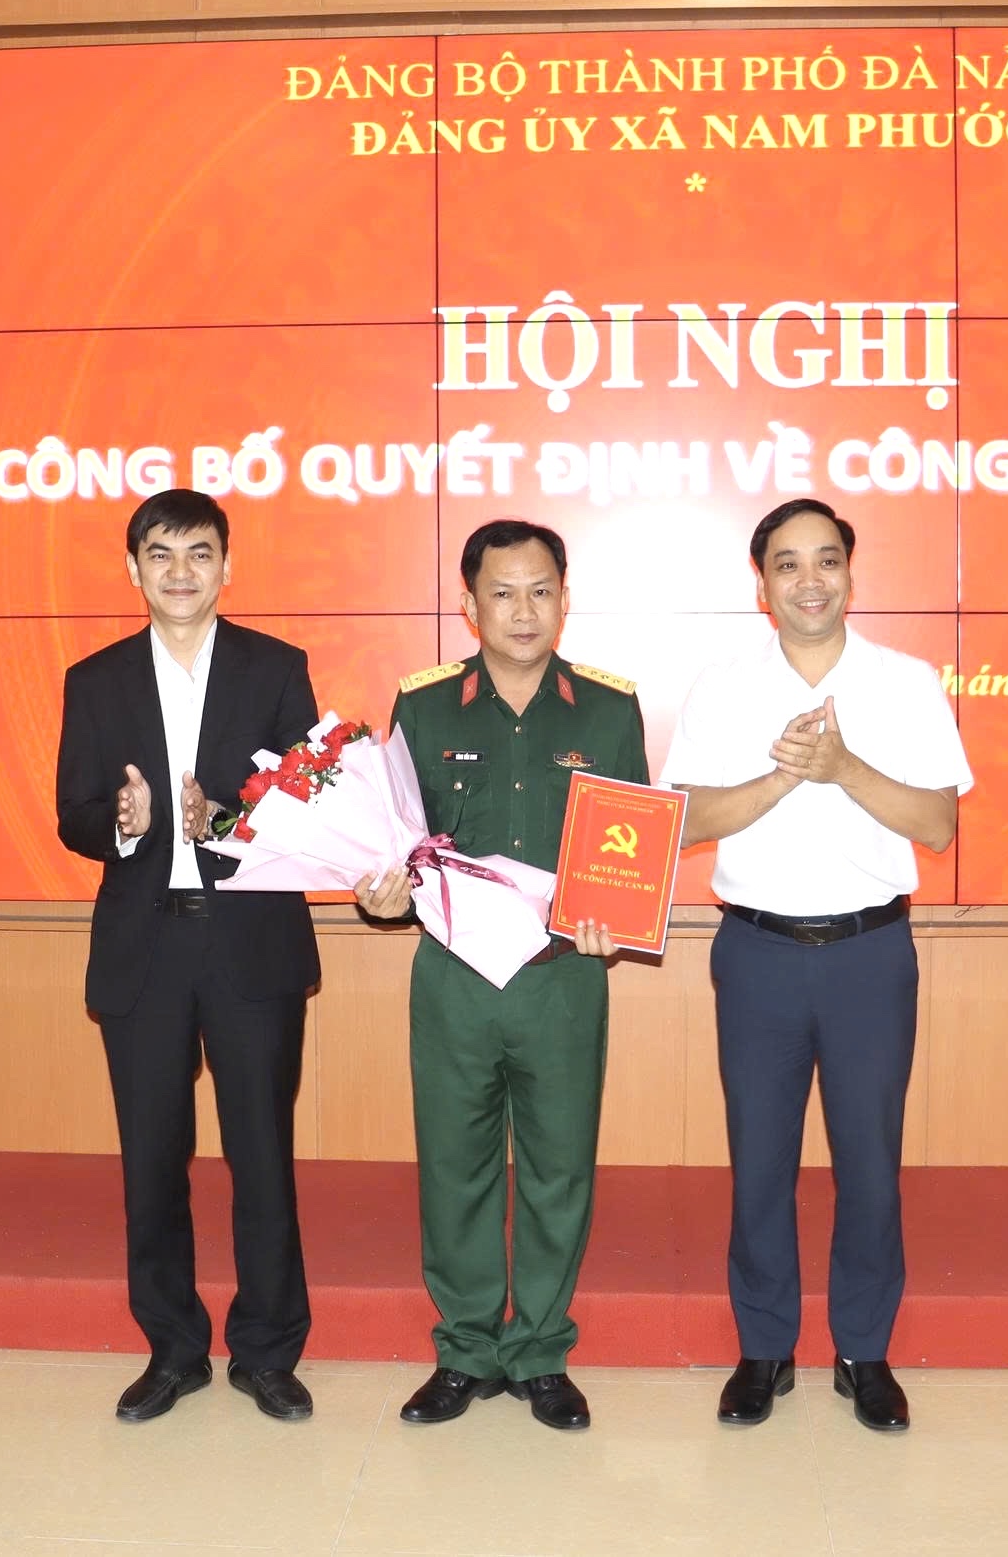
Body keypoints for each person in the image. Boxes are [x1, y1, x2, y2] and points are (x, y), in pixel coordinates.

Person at [661, 498, 972, 1434]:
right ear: (762, 584)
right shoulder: (722, 685)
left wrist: (841, 766)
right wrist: (785, 774)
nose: (810, 581)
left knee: (870, 1164)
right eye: (788, 564)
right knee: (760, 1161)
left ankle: (863, 1351)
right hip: (757, 952)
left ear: (849, 573)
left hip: (869, 956)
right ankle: (764, 1349)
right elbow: (687, 820)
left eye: (826, 561)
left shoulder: (907, 683)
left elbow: (937, 825)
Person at [355, 519, 645, 1432]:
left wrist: (618, 919)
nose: (524, 612)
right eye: (503, 593)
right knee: (456, 1164)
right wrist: (380, 892)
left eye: (541, 591)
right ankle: (466, 1348)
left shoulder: (610, 710)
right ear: (469, 602)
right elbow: (393, 844)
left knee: (559, 1167)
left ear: (565, 597)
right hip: (455, 977)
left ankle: (541, 1352)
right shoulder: (426, 707)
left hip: (563, 977)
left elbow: (632, 850)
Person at [55, 489, 323, 1424]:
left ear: (226, 567)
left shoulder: (276, 668)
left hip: (250, 941)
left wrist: (228, 821)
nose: (180, 572)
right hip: (146, 945)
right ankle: (173, 1349)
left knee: (262, 1154)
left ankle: (268, 1350)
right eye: (161, 554)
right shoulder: (95, 679)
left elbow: (305, 801)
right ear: (133, 568)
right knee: (152, 1159)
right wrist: (124, 824)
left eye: (199, 553)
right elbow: (75, 813)